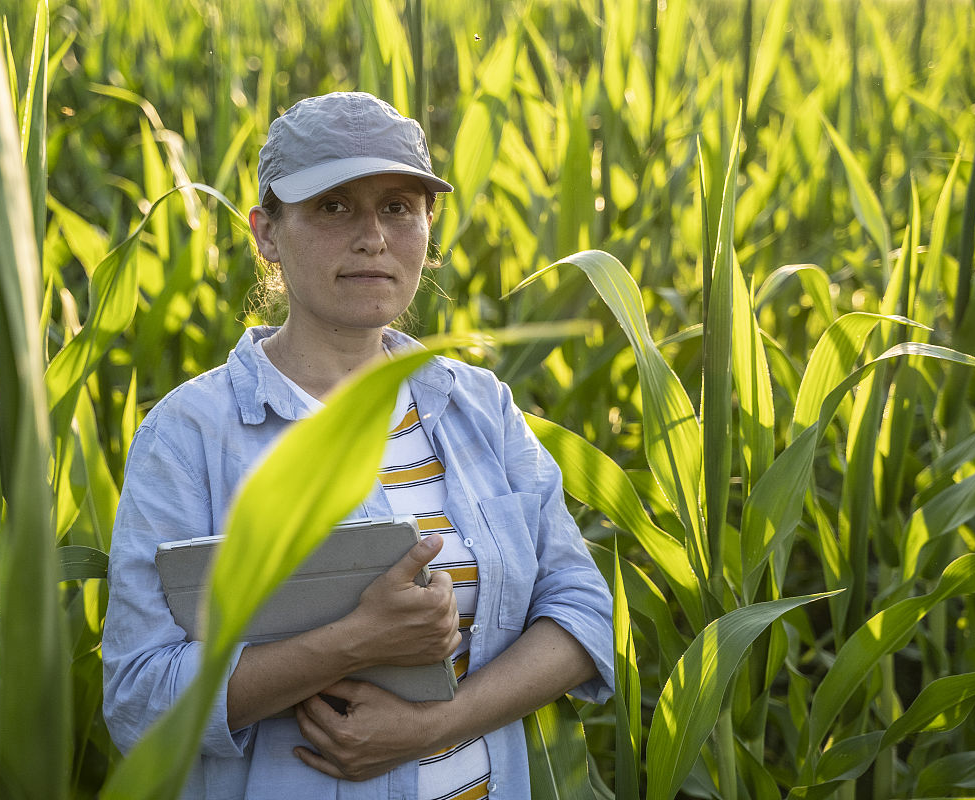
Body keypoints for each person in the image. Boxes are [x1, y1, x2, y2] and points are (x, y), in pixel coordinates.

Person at [102, 91, 615, 800]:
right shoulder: (189, 435)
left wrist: (436, 725)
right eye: (334, 206)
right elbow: (138, 702)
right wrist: (356, 641)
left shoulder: (481, 406)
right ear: (267, 234)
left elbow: (581, 614)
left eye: (399, 207)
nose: (373, 237)